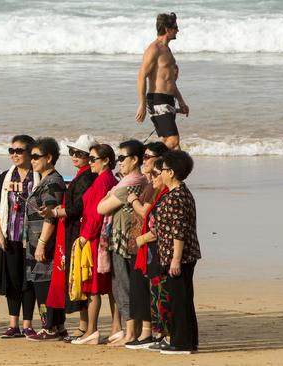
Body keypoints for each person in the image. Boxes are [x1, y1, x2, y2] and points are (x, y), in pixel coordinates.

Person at [39, 135, 98, 342]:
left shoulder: (88, 177)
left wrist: (55, 213)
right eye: (72, 152)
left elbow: (78, 207)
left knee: (82, 279)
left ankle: (85, 326)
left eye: (79, 153)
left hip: (78, 231)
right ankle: (82, 325)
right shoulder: (82, 175)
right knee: (75, 278)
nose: (74, 156)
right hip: (71, 229)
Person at [96, 140, 148, 346]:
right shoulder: (135, 181)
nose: (119, 163)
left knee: (123, 287)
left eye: (122, 158)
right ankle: (130, 331)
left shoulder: (131, 182)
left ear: (135, 159)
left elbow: (102, 208)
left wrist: (109, 195)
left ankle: (130, 333)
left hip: (123, 241)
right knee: (124, 287)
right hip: (125, 239)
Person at [0, 135, 40, 339]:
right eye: (12, 151)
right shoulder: (5, 177)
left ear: (30, 153)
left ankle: (28, 325)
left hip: (31, 238)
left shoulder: (38, 176)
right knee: (12, 280)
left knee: (29, 281)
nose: (15, 155)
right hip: (9, 235)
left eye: (19, 151)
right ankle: (13, 324)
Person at [152, 150, 201, 354]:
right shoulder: (179, 192)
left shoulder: (177, 196)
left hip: (180, 256)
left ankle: (181, 343)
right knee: (183, 298)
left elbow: (178, 231)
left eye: (162, 170)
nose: (159, 174)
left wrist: (175, 260)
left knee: (179, 300)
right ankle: (190, 340)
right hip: (177, 255)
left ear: (171, 172)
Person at [71, 144, 118, 345]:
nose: (89, 162)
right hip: (97, 236)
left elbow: (97, 213)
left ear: (106, 160)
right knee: (108, 286)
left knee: (94, 286)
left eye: (93, 159)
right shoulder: (105, 179)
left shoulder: (103, 181)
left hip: (95, 238)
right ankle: (116, 329)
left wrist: (86, 236)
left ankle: (92, 330)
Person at [125, 141, 169, 349]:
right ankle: (147, 332)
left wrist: (133, 200)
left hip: (149, 244)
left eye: (148, 157)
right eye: (143, 156)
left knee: (149, 289)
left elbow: (145, 212)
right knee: (140, 289)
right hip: (138, 243)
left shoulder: (158, 185)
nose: (144, 161)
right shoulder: (150, 183)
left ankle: (151, 333)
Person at [22, 137, 66, 341]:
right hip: (35, 241)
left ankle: (50, 327)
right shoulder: (44, 180)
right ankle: (55, 326)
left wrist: (41, 244)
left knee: (45, 283)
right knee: (42, 282)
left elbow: (51, 215)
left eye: (36, 156)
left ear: (49, 158)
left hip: (44, 242)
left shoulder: (52, 182)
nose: (32, 160)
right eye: (31, 157)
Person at [135, 12, 188, 151]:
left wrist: (181, 101)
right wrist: (142, 104)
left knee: (169, 144)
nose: (178, 30)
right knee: (173, 141)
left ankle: (158, 170)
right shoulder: (154, 49)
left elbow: (170, 81)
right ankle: (140, 155)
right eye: (175, 27)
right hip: (157, 100)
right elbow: (141, 76)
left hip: (168, 99)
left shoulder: (167, 49)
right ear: (166, 29)